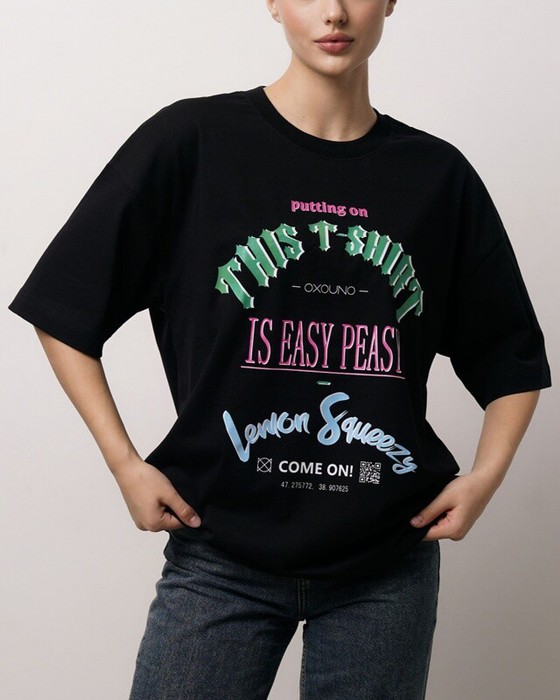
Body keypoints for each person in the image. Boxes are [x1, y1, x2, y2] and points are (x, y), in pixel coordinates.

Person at [7, 1, 552, 698]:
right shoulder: (193, 143)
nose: (334, 11)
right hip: (219, 553)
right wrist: (124, 464)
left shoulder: (436, 176)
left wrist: (487, 477)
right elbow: (64, 306)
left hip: (386, 562)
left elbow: (510, 357)